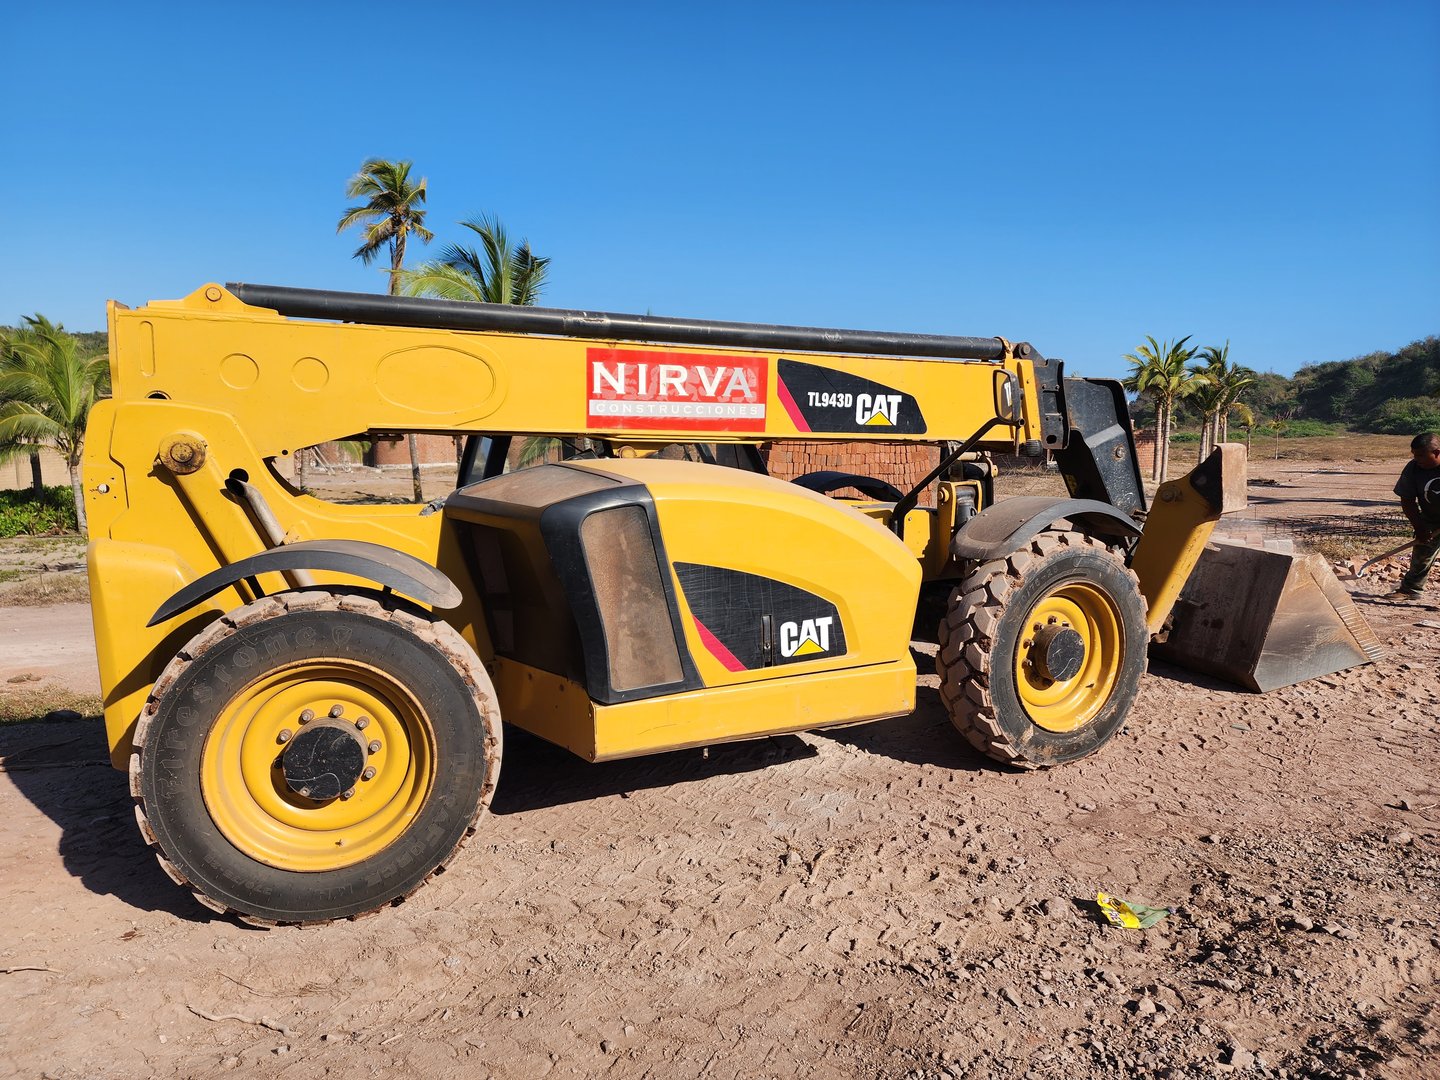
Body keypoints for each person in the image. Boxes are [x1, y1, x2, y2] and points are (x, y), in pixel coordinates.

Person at [1388, 431, 1440, 600]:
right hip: (1431, 518)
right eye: (1414, 455)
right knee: (1422, 553)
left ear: (1436, 453)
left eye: (1421, 455)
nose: (1416, 459)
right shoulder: (1413, 468)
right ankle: (1411, 589)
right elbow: (1408, 500)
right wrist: (1420, 527)